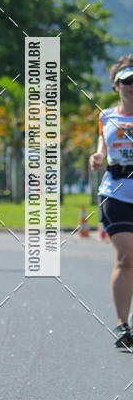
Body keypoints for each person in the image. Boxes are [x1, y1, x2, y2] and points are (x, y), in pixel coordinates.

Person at [89, 55, 133, 350]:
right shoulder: (106, 116)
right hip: (115, 192)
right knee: (127, 258)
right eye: (127, 81)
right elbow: (102, 149)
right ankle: (122, 324)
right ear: (116, 85)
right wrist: (97, 157)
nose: (132, 86)